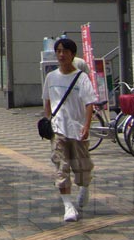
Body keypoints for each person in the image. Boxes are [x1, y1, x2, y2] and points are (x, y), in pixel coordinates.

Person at [42, 37, 98, 224]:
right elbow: (47, 101)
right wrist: (49, 120)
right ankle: (68, 206)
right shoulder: (51, 77)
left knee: (82, 167)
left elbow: (90, 103)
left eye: (65, 51)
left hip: (77, 129)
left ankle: (84, 188)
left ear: (73, 54)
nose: (61, 55)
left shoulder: (81, 78)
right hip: (59, 130)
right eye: (58, 51)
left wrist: (87, 126)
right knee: (61, 167)